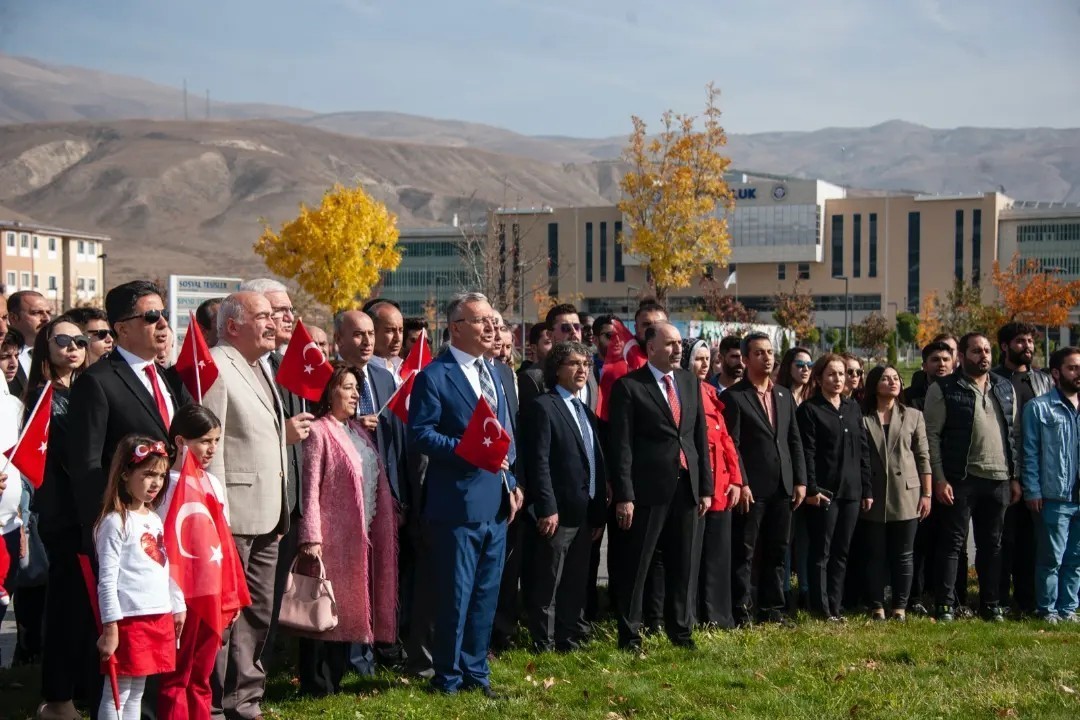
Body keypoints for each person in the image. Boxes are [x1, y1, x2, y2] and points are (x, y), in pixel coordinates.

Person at [64, 281, 188, 720]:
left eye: (163, 315)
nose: (161, 324)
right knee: (124, 665)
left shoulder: (169, 378)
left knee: (152, 658)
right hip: (125, 532)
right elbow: (86, 465)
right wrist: (115, 517)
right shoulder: (98, 382)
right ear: (121, 328)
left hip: (169, 527)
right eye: (150, 316)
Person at [408, 291, 522, 696]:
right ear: (456, 328)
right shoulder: (434, 376)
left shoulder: (498, 373)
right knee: (455, 597)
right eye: (481, 321)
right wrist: (464, 451)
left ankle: (478, 674)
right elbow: (420, 434)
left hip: (496, 502)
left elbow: (506, 434)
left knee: (486, 596)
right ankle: (448, 677)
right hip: (455, 502)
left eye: (493, 319)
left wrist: (514, 482)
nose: (491, 327)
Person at [203, 291, 289, 719]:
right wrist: (216, 512)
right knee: (224, 616)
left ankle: (246, 699)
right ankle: (216, 704)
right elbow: (210, 445)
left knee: (258, 612)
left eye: (274, 316)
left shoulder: (260, 366)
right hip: (233, 514)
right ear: (233, 325)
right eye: (263, 316)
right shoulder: (218, 365)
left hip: (268, 512)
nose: (273, 323)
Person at [296, 364, 398, 694]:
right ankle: (316, 683)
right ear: (330, 392)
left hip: (360, 536)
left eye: (357, 388)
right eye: (348, 387)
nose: (356, 394)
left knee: (344, 613)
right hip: (329, 538)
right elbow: (310, 486)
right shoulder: (319, 431)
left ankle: (334, 679)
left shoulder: (358, 431)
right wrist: (311, 534)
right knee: (321, 611)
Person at [609, 322, 711, 650]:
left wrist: (704, 487)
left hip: (686, 487)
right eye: (669, 344)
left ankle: (680, 631)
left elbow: (698, 437)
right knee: (637, 566)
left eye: (679, 343)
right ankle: (631, 635)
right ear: (650, 348)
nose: (677, 349)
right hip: (647, 491)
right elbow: (621, 446)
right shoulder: (629, 387)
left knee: (684, 563)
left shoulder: (688, 382)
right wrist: (625, 495)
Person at [238, 278, 313, 673]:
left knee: (270, 600)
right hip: (253, 505)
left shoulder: (286, 363)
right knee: (248, 604)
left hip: (289, 501)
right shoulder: (237, 366)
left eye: (288, 309)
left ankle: (257, 678)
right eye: (276, 310)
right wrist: (279, 435)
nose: (286, 317)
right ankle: (238, 684)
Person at [924, 332, 1019, 622]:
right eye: (977, 351)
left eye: (987, 350)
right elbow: (932, 437)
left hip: (999, 479)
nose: (984, 356)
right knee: (953, 544)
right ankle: (946, 604)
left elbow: (1013, 436)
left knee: (992, 545)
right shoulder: (944, 388)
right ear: (962, 357)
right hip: (960, 479)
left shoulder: (1004, 388)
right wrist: (939, 478)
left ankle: (991, 604)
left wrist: (1015, 478)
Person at [94, 435, 185, 720]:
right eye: (147, 474)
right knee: (118, 691)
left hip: (156, 614)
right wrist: (111, 628)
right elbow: (106, 580)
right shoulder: (114, 522)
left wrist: (176, 604)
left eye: (160, 475)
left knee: (138, 690)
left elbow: (163, 566)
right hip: (128, 619)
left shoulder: (154, 518)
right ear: (124, 474)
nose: (155, 482)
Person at [524, 341, 607, 652]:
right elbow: (539, 461)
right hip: (557, 513)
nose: (582, 369)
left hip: (585, 512)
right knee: (548, 581)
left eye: (585, 363)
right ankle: (542, 642)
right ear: (557, 369)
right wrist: (547, 507)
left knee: (575, 580)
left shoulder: (584, 410)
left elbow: (594, 460)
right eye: (574, 363)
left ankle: (568, 637)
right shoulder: (544, 406)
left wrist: (598, 510)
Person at [155, 405, 236, 720]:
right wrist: (175, 600)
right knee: (177, 677)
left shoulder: (213, 484)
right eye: (204, 440)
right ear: (179, 441)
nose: (212, 448)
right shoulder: (165, 486)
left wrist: (228, 593)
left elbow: (223, 543)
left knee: (201, 676)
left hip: (210, 593)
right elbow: (163, 548)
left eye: (216, 440)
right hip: (181, 596)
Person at [721, 332, 807, 626]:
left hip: (783, 485)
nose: (767, 357)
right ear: (745, 359)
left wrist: (800, 480)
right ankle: (742, 609)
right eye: (759, 353)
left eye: (770, 352)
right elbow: (731, 444)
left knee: (777, 549)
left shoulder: (782, 394)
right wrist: (741, 482)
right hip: (752, 488)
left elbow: (793, 439)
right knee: (744, 552)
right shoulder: (734, 397)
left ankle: (773, 609)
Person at [797, 354, 872, 621]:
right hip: (824, 493)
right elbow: (807, 452)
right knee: (822, 552)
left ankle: (835, 606)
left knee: (842, 551)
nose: (838, 379)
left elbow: (863, 451)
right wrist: (812, 488)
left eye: (841, 374)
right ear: (818, 379)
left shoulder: (853, 408)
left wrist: (867, 489)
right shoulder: (809, 410)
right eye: (831, 374)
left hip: (852, 491)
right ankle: (820, 608)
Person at [861, 365, 932, 621]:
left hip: (907, 493)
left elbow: (923, 456)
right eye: (884, 378)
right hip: (874, 493)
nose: (892, 382)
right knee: (875, 553)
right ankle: (876, 605)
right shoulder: (862, 416)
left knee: (904, 554)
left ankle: (900, 606)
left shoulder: (913, 415)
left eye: (895, 378)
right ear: (873, 384)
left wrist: (927, 494)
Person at [682, 339, 742, 628]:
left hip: (721, 485)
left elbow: (726, 439)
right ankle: (692, 616)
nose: (704, 364)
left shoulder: (710, 391)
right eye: (698, 359)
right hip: (697, 485)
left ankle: (718, 616)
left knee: (718, 555)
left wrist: (737, 480)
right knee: (693, 557)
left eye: (708, 359)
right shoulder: (682, 391)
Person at [993, 321, 1051, 617]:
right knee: (1004, 539)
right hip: (1003, 473)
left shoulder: (1044, 382)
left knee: (1033, 541)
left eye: (1030, 341)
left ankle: (1028, 601)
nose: (1027, 346)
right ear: (1004, 346)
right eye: (1020, 341)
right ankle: (1000, 600)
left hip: (1039, 474)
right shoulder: (992, 380)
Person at [1022, 346, 1080, 623]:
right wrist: (1032, 489)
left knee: (1075, 560)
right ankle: (1048, 610)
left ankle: (1069, 609)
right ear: (1056, 373)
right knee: (1051, 559)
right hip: (1054, 496)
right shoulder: (1039, 408)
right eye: (1073, 368)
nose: (1078, 373)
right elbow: (1030, 452)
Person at [7, 291, 52, 397]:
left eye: (48, 312)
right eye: (36, 312)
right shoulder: (3, 355)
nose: (47, 319)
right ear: (13, 318)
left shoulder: (54, 352)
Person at [905, 341, 955, 409]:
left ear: (952, 364)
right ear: (925, 366)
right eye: (935, 360)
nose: (942, 364)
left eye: (946, 360)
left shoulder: (963, 394)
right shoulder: (908, 397)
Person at [368, 300, 405, 381]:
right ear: (372, 332)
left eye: (401, 330)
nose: (397, 338)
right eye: (390, 331)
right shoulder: (362, 373)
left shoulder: (402, 371)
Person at [591, 315, 616, 381]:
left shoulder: (632, 368)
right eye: (610, 335)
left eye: (620, 335)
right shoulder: (585, 369)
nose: (617, 340)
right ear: (595, 340)